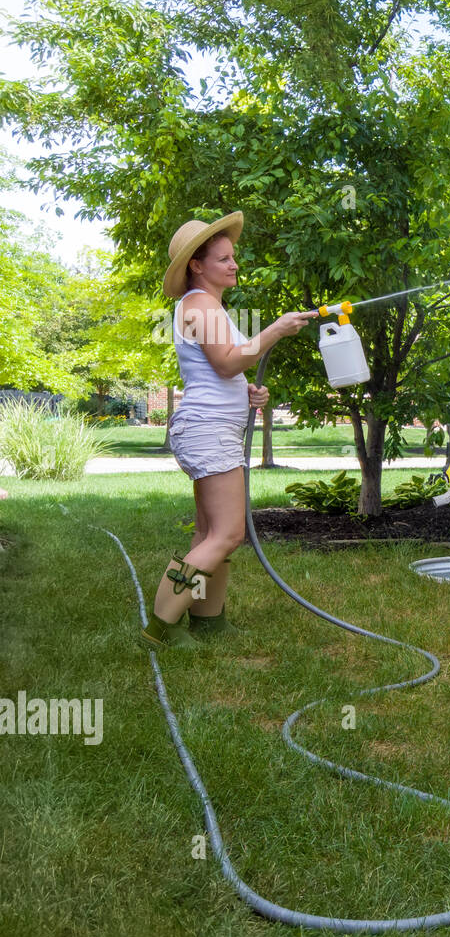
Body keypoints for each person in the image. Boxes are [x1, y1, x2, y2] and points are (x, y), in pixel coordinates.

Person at [139, 211, 317, 650]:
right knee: (227, 534)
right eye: (223, 258)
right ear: (196, 266)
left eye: (233, 257)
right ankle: (159, 629)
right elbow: (224, 361)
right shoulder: (199, 305)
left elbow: (221, 370)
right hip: (208, 430)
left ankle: (208, 619)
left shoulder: (207, 306)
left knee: (208, 534)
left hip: (212, 426)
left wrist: (248, 391)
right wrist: (274, 330)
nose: (234, 264)